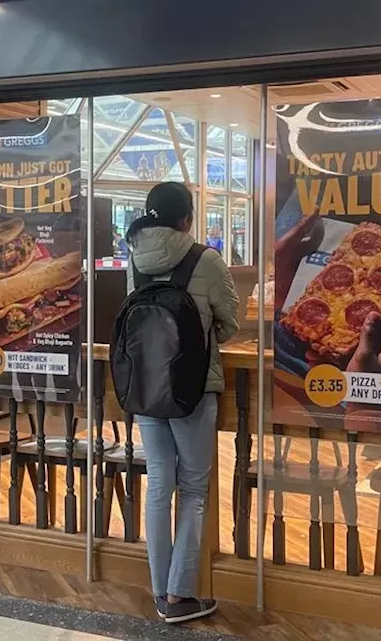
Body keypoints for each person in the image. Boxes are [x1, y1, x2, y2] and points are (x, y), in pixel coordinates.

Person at [125, 182, 238, 624]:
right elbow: (229, 324)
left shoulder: (135, 257)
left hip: (146, 388)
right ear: (187, 218)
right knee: (193, 488)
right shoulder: (205, 259)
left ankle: (158, 589)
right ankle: (179, 595)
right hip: (193, 389)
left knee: (159, 483)